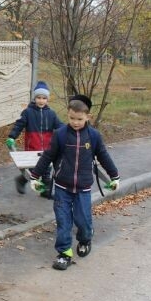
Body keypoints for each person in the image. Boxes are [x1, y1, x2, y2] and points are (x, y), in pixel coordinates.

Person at [29, 94, 120, 271]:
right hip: (63, 186)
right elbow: (48, 156)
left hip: (83, 188)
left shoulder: (93, 136)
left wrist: (114, 176)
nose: (75, 122)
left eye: (79, 119)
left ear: (87, 117)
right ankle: (64, 253)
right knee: (63, 221)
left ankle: (85, 238)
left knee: (83, 221)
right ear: (68, 116)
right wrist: (35, 176)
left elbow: (103, 156)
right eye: (72, 118)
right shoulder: (61, 134)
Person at [5, 81, 64, 196]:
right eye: (38, 97)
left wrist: (70, 132)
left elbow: (60, 126)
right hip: (32, 146)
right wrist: (12, 137)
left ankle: (45, 192)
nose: (41, 100)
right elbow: (19, 125)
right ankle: (21, 180)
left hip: (47, 148)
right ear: (34, 98)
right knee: (33, 170)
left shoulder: (51, 114)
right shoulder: (28, 112)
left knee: (47, 169)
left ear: (47, 99)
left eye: (43, 98)